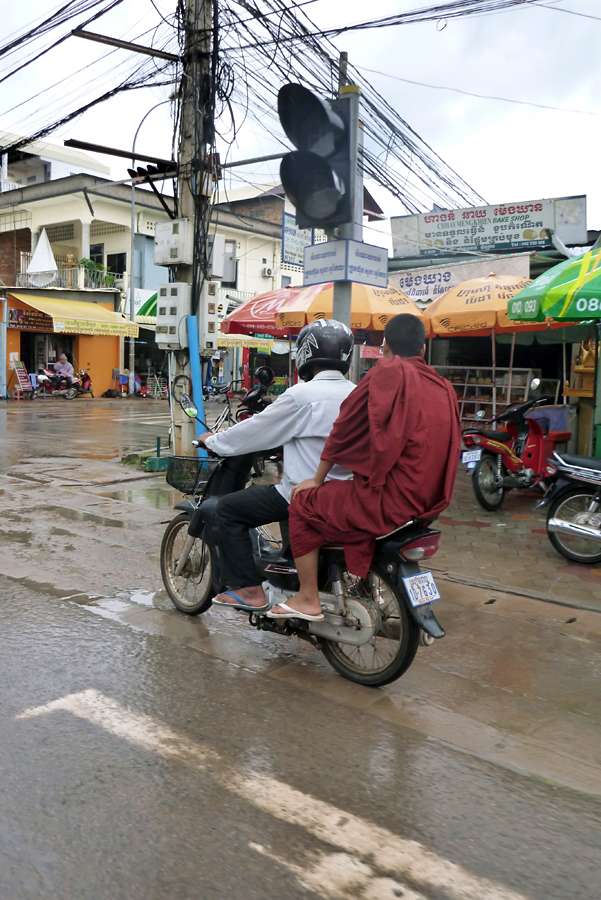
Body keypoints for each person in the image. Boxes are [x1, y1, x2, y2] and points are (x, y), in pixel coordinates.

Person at [267, 313, 461, 621]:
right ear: (423, 351)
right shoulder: (443, 386)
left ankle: (307, 598)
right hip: (430, 503)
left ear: (385, 347)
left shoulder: (387, 373)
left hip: (391, 503)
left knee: (302, 502)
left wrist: (317, 479)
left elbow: (344, 429)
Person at [197, 320, 355, 613]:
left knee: (227, 509)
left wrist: (214, 441)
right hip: (346, 493)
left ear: (306, 353)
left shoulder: (301, 395)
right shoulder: (357, 393)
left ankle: (250, 590)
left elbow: (253, 430)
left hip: (303, 494)